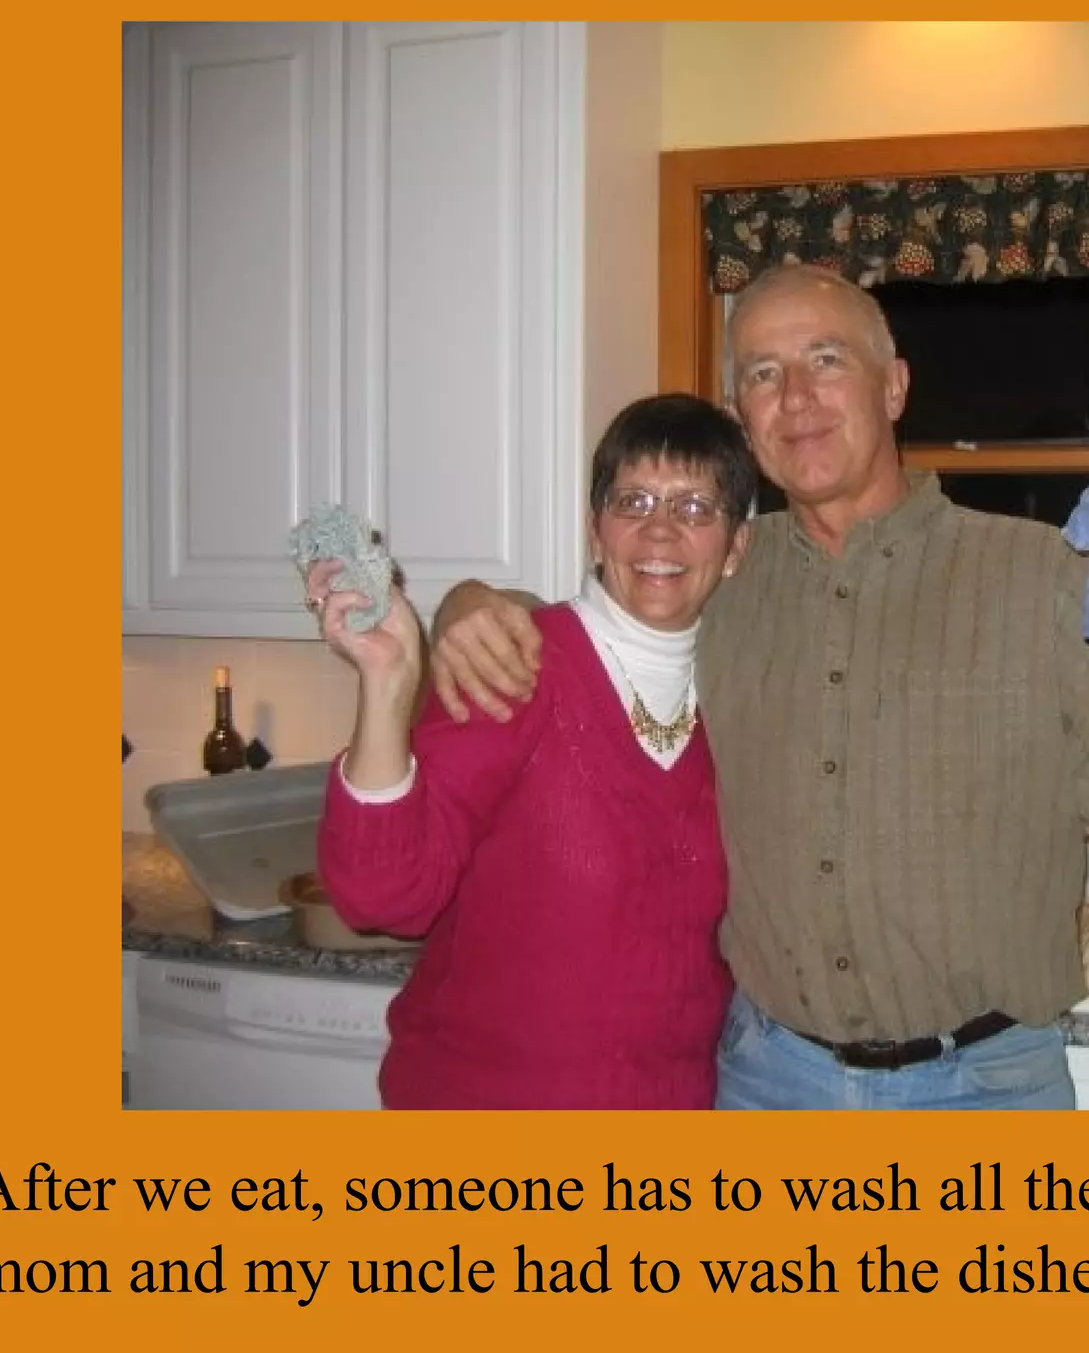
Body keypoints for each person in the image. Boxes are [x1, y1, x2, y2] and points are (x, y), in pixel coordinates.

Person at [428, 264, 1089, 1110]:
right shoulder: (722, 577)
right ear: (744, 417)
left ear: (895, 386)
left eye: (827, 359)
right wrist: (475, 605)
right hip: (766, 1080)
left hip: (985, 1089)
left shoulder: (1043, 580)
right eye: (764, 373)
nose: (795, 396)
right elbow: (593, 634)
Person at [308, 393, 755, 1109]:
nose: (661, 532)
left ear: (736, 548)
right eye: (633, 501)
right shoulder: (515, 661)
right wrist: (388, 682)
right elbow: (381, 894)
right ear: (594, 530)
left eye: (696, 508)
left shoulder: (740, 695)